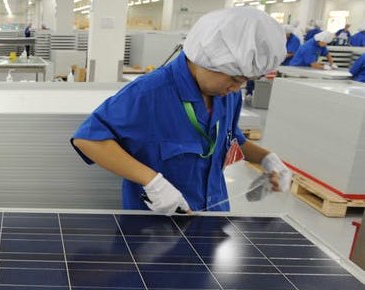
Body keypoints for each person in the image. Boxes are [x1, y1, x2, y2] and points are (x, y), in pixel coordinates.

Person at [70, 8, 291, 214]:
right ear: (208, 58)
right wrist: (152, 181)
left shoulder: (228, 95)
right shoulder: (150, 93)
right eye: (234, 78)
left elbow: (230, 138)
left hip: (213, 216)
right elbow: (89, 139)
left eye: (245, 81)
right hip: (156, 229)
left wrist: (267, 159)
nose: (236, 88)